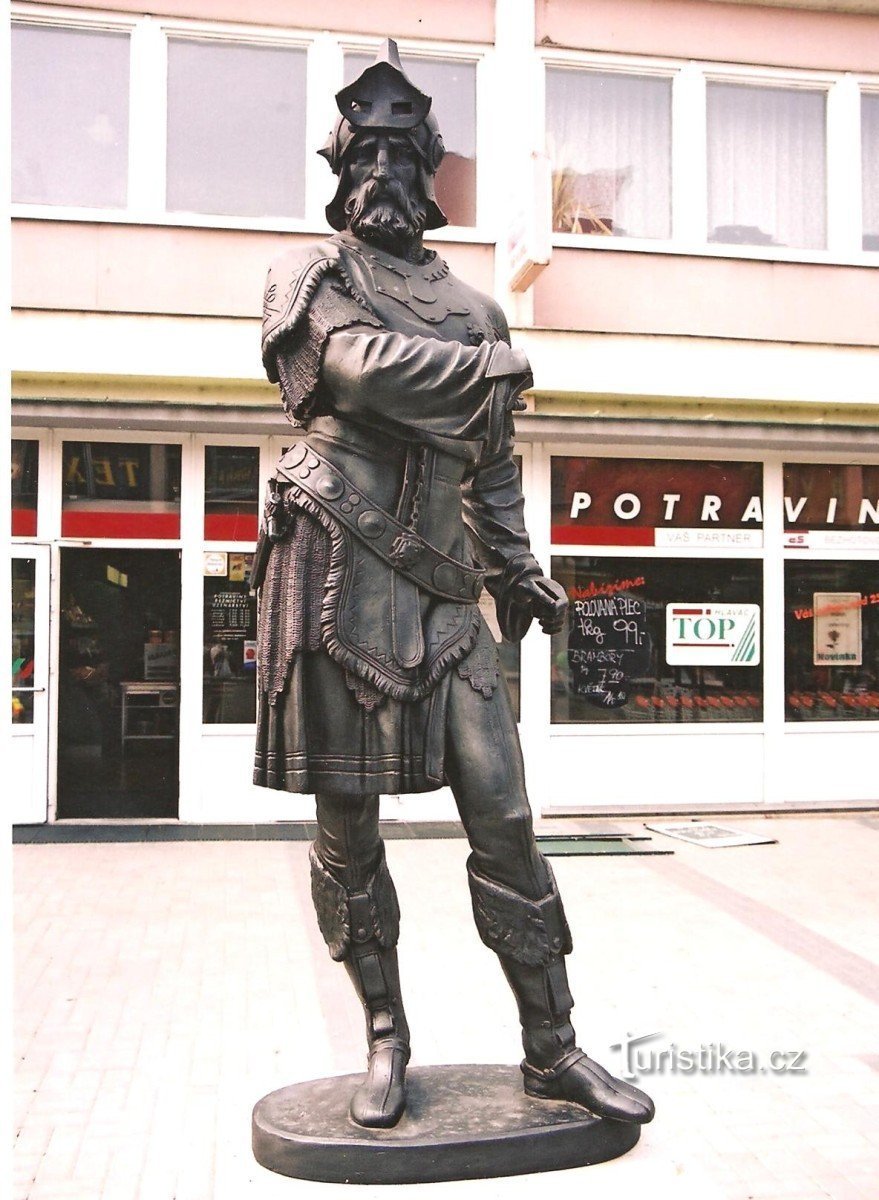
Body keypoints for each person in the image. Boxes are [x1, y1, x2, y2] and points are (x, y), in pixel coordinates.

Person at [253, 40, 654, 1131]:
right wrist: (493, 369)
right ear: (340, 171)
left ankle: (553, 1048)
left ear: (432, 172)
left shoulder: (478, 308)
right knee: (349, 830)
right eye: (364, 156)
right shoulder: (310, 278)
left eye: (402, 156)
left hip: (442, 595)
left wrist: (517, 565)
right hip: (335, 579)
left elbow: (493, 466)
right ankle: (384, 1037)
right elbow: (354, 373)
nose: (382, 173)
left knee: (505, 815)